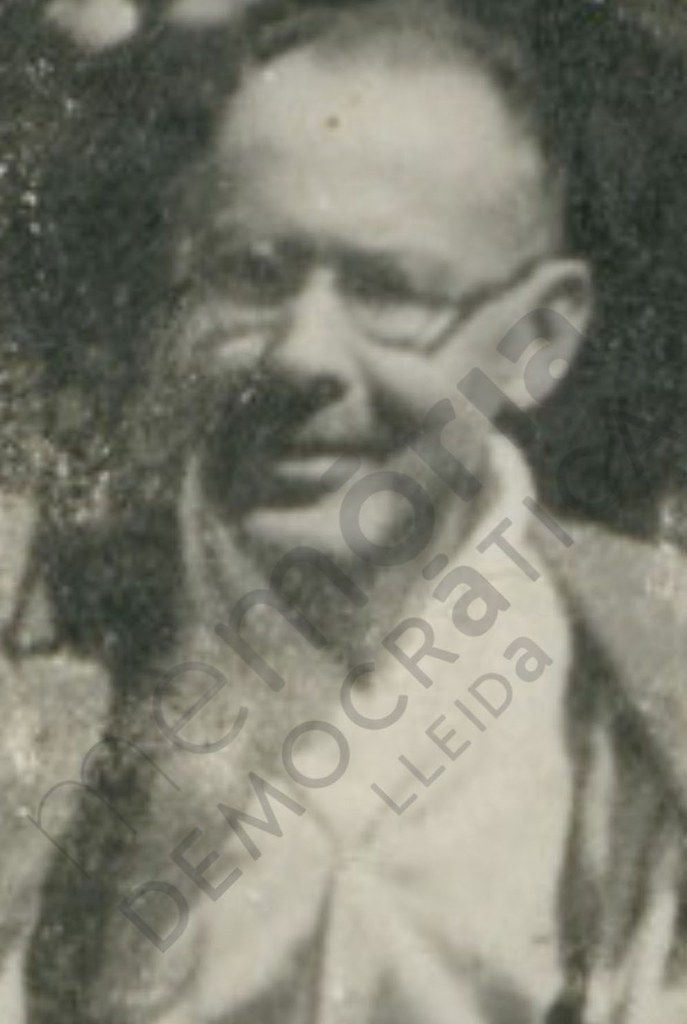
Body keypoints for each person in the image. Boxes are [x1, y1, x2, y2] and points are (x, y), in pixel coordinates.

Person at [3, 2, 687, 1023]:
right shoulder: (47, 644)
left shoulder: (645, 689)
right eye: (252, 275)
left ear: (539, 337)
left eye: (389, 290)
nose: (302, 353)